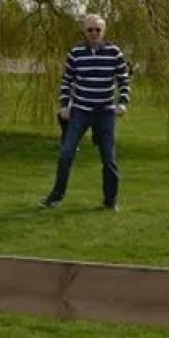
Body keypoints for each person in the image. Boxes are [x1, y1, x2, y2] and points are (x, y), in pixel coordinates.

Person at [41, 13, 131, 211]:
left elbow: (123, 80)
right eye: (90, 29)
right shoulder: (76, 53)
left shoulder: (114, 53)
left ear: (103, 31)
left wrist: (122, 102)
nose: (94, 33)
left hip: (105, 112)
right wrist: (65, 105)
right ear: (84, 31)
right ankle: (55, 198)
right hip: (80, 111)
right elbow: (67, 81)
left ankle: (110, 201)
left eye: (98, 30)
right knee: (66, 154)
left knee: (109, 159)